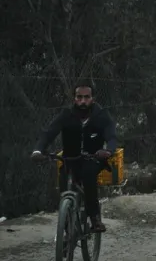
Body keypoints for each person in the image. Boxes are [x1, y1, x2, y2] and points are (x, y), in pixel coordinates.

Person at [31, 83, 117, 232]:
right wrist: (38, 150)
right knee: (64, 188)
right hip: (70, 159)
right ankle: (66, 232)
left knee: (88, 174)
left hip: (93, 159)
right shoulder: (67, 114)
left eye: (86, 97)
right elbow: (49, 133)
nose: (83, 101)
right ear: (74, 99)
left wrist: (108, 151)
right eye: (79, 97)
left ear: (93, 99)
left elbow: (111, 136)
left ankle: (94, 217)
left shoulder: (101, 115)